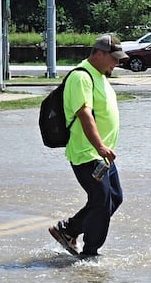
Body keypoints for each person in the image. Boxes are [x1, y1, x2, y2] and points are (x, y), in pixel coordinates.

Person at [49, 34, 128, 260]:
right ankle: (90, 253)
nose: (117, 63)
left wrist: (103, 150)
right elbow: (84, 114)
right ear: (99, 54)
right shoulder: (81, 77)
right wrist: (100, 146)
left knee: (114, 197)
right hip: (87, 154)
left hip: (101, 156)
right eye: (114, 58)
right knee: (102, 202)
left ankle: (69, 230)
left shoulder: (100, 75)